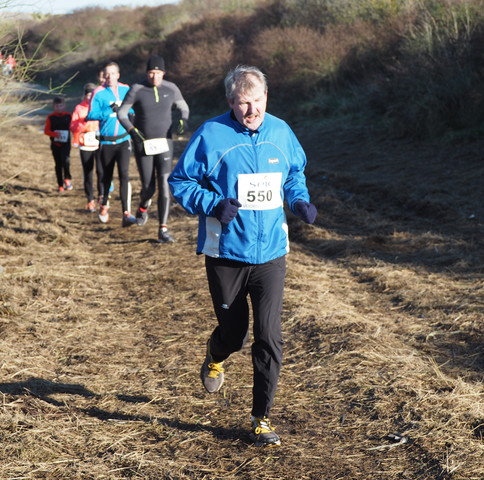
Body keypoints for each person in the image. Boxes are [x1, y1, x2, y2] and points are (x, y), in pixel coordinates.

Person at [168, 65, 317, 447]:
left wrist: (299, 199)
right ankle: (215, 354)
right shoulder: (212, 135)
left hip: (270, 255)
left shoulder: (281, 132)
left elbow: (294, 172)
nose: (252, 110)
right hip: (226, 255)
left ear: (267, 97)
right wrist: (214, 204)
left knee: (269, 337)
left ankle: (261, 418)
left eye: (258, 101)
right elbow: (180, 182)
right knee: (235, 336)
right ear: (230, 102)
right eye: (243, 103)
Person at [117, 54, 189, 243]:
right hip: (144, 144)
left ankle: (163, 229)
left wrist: (183, 119)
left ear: (163, 73)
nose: (154, 77)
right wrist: (132, 131)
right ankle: (142, 207)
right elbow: (122, 112)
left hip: (165, 143)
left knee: (165, 185)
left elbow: (184, 107)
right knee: (148, 187)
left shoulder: (171, 88)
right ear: (146, 73)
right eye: (151, 73)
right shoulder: (137, 89)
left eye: (158, 73)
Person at [86, 62, 135, 225]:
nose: (109, 77)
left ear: (118, 75)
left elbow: (133, 110)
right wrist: (109, 110)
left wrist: (131, 115)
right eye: (107, 74)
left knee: (124, 175)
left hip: (123, 140)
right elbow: (90, 114)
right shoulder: (98, 93)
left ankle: (126, 212)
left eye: (113, 73)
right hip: (106, 143)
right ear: (103, 76)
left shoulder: (126, 89)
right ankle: (104, 204)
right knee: (106, 177)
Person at [71, 83, 101, 212]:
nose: (90, 97)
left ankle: (102, 197)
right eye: (88, 94)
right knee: (88, 173)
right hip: (85, 143)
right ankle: (90, 200)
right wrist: (83, 125)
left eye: (92, 95)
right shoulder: (79, 108)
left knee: (101, 172)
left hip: (100, 143)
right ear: (85, 95)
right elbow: (73, 126)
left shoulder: (100, 106)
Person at [44, 96, 73, 192]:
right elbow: (46, 131)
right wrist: (55, 134)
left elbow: (74, 127)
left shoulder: (69, 116)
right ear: (54, 107)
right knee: (58, 164)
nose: (59, 108)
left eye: (61, 106)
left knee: (66, 161)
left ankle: (67, 178)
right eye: (57, 106)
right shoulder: (51, 117)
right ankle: (60, 184)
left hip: (66, 144)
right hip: (55, 144)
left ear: (64, 106)